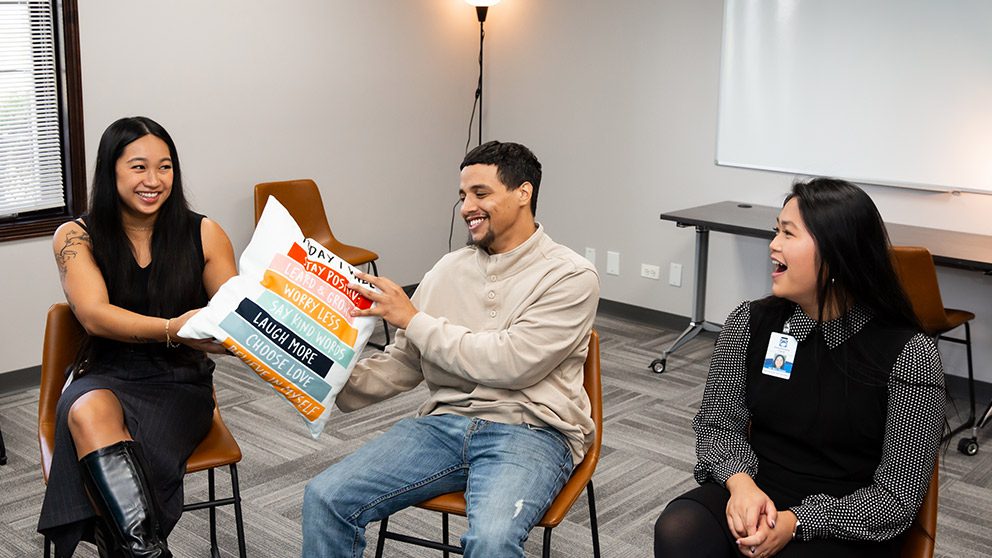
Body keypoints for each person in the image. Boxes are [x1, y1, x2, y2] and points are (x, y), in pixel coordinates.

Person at [301, 141, 600, 557]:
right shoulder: (447, 270)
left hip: (532, 432)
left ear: (523, 194)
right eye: (462, 196)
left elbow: (511, 363)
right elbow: (405, 362)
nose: (466, 207)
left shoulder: (570, 276)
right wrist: (311, 372)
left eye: (480, 193)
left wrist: (412, 319)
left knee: (491, 541)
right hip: (444, 426)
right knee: (325, 497)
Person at [653, 178, 945, 558]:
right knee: (680, 530)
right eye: (776, 231)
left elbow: (897, 498)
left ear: (837, 252)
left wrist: (798, 521)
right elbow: (716, 424)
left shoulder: (910, 354)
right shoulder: (750, 322)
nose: (773, 245)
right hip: (758, 485)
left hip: (846, 516)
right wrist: (741, 485)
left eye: (788, 234)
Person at [38, 116, 237, 558]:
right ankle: (145, 550)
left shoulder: (205, 232)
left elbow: (231, 317)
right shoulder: (75, 235)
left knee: (105, 455)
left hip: (178, 383)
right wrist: (174, 328)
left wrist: (235, 331)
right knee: (88, 409)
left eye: (164, 167)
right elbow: (94, 316)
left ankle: (131, 547)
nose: (154, 180)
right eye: (139, 167)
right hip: (105, 372)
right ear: (111, 171)